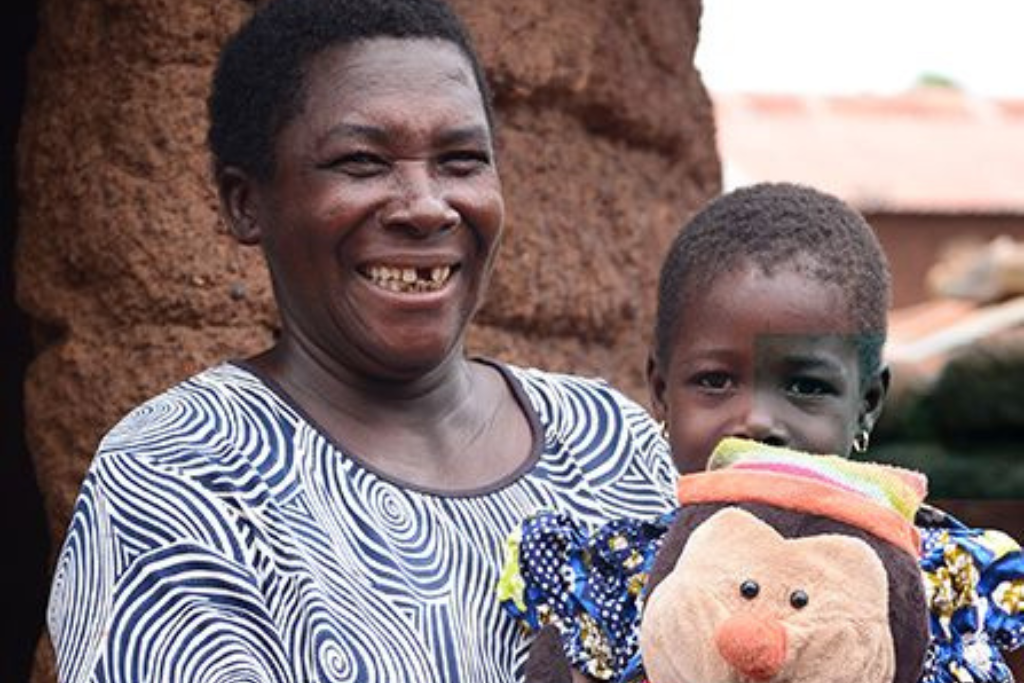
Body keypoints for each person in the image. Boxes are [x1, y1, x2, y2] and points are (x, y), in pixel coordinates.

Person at [45, 1, 679, 682]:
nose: (426, 204)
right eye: (361, 161)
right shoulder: (181, 475)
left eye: (461, 160)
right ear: (244, 202)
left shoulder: (610, 441)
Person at [499, 182, 1024, 683]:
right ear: (661, 392)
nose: (756, 421)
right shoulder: (618, 573)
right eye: (715, 380)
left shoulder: (928, 590)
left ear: (867, 404)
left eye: (805, 385)